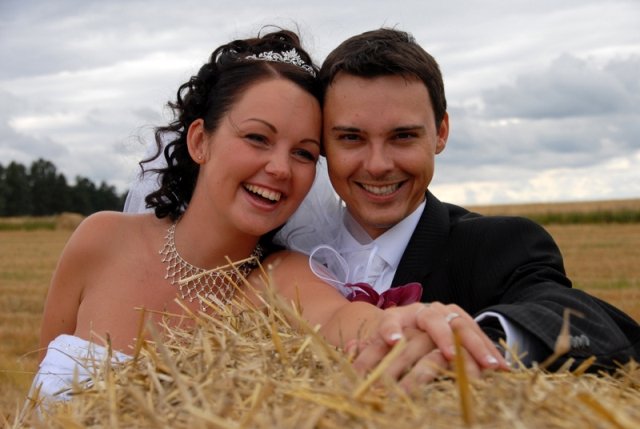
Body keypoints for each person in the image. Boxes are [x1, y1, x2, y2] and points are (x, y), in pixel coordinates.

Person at [31, 29, 506, 404]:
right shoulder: (99, 240)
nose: (280, 169)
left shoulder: (285, 277)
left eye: (304, 152)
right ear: (199, 141)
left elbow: (348, 320)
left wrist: (413, 321)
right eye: (257, 138)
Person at [276, 28, 640, 377]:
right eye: (351, 138)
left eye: (403, 136)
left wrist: (477, 343)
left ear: (441, 133)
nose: (378, 165)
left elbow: (598, 327)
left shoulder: (496, 245)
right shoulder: (289, 247)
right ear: (323, 142)